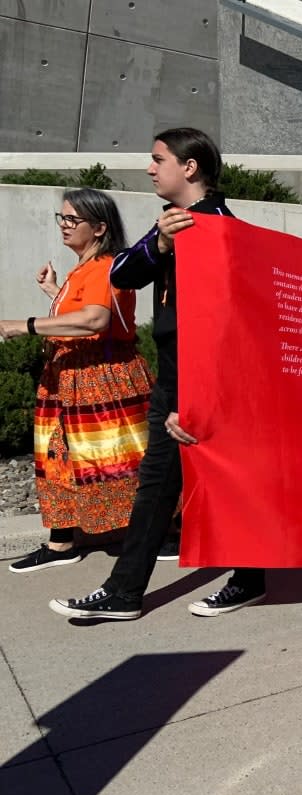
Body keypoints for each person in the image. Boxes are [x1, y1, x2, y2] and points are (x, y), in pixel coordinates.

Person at [48, 128, 266, 620]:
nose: (150, 168)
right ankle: (127, 592)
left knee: (220, 482)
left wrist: (196, 396)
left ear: (189, 168)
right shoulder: (175, 224)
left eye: (158, 159)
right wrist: (161, 245)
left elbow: (228, 323)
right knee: (164, 486)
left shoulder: (220, 228)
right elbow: (122, 272)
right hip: (176, 378)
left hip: (200, 382)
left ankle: (238, 579)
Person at [1, 190, 153, 574]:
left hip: (100, 378)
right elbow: (84, 314)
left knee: (119, 459)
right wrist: (54, 293)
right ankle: (61, 541)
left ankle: (161, 530)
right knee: (59, 461)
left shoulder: (106, 265)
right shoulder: (84, 269)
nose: (64, 226)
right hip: (67, 379)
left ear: (99, 228)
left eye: (72, 220)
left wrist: (27, 325)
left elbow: (94, 321)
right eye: (62, 218)